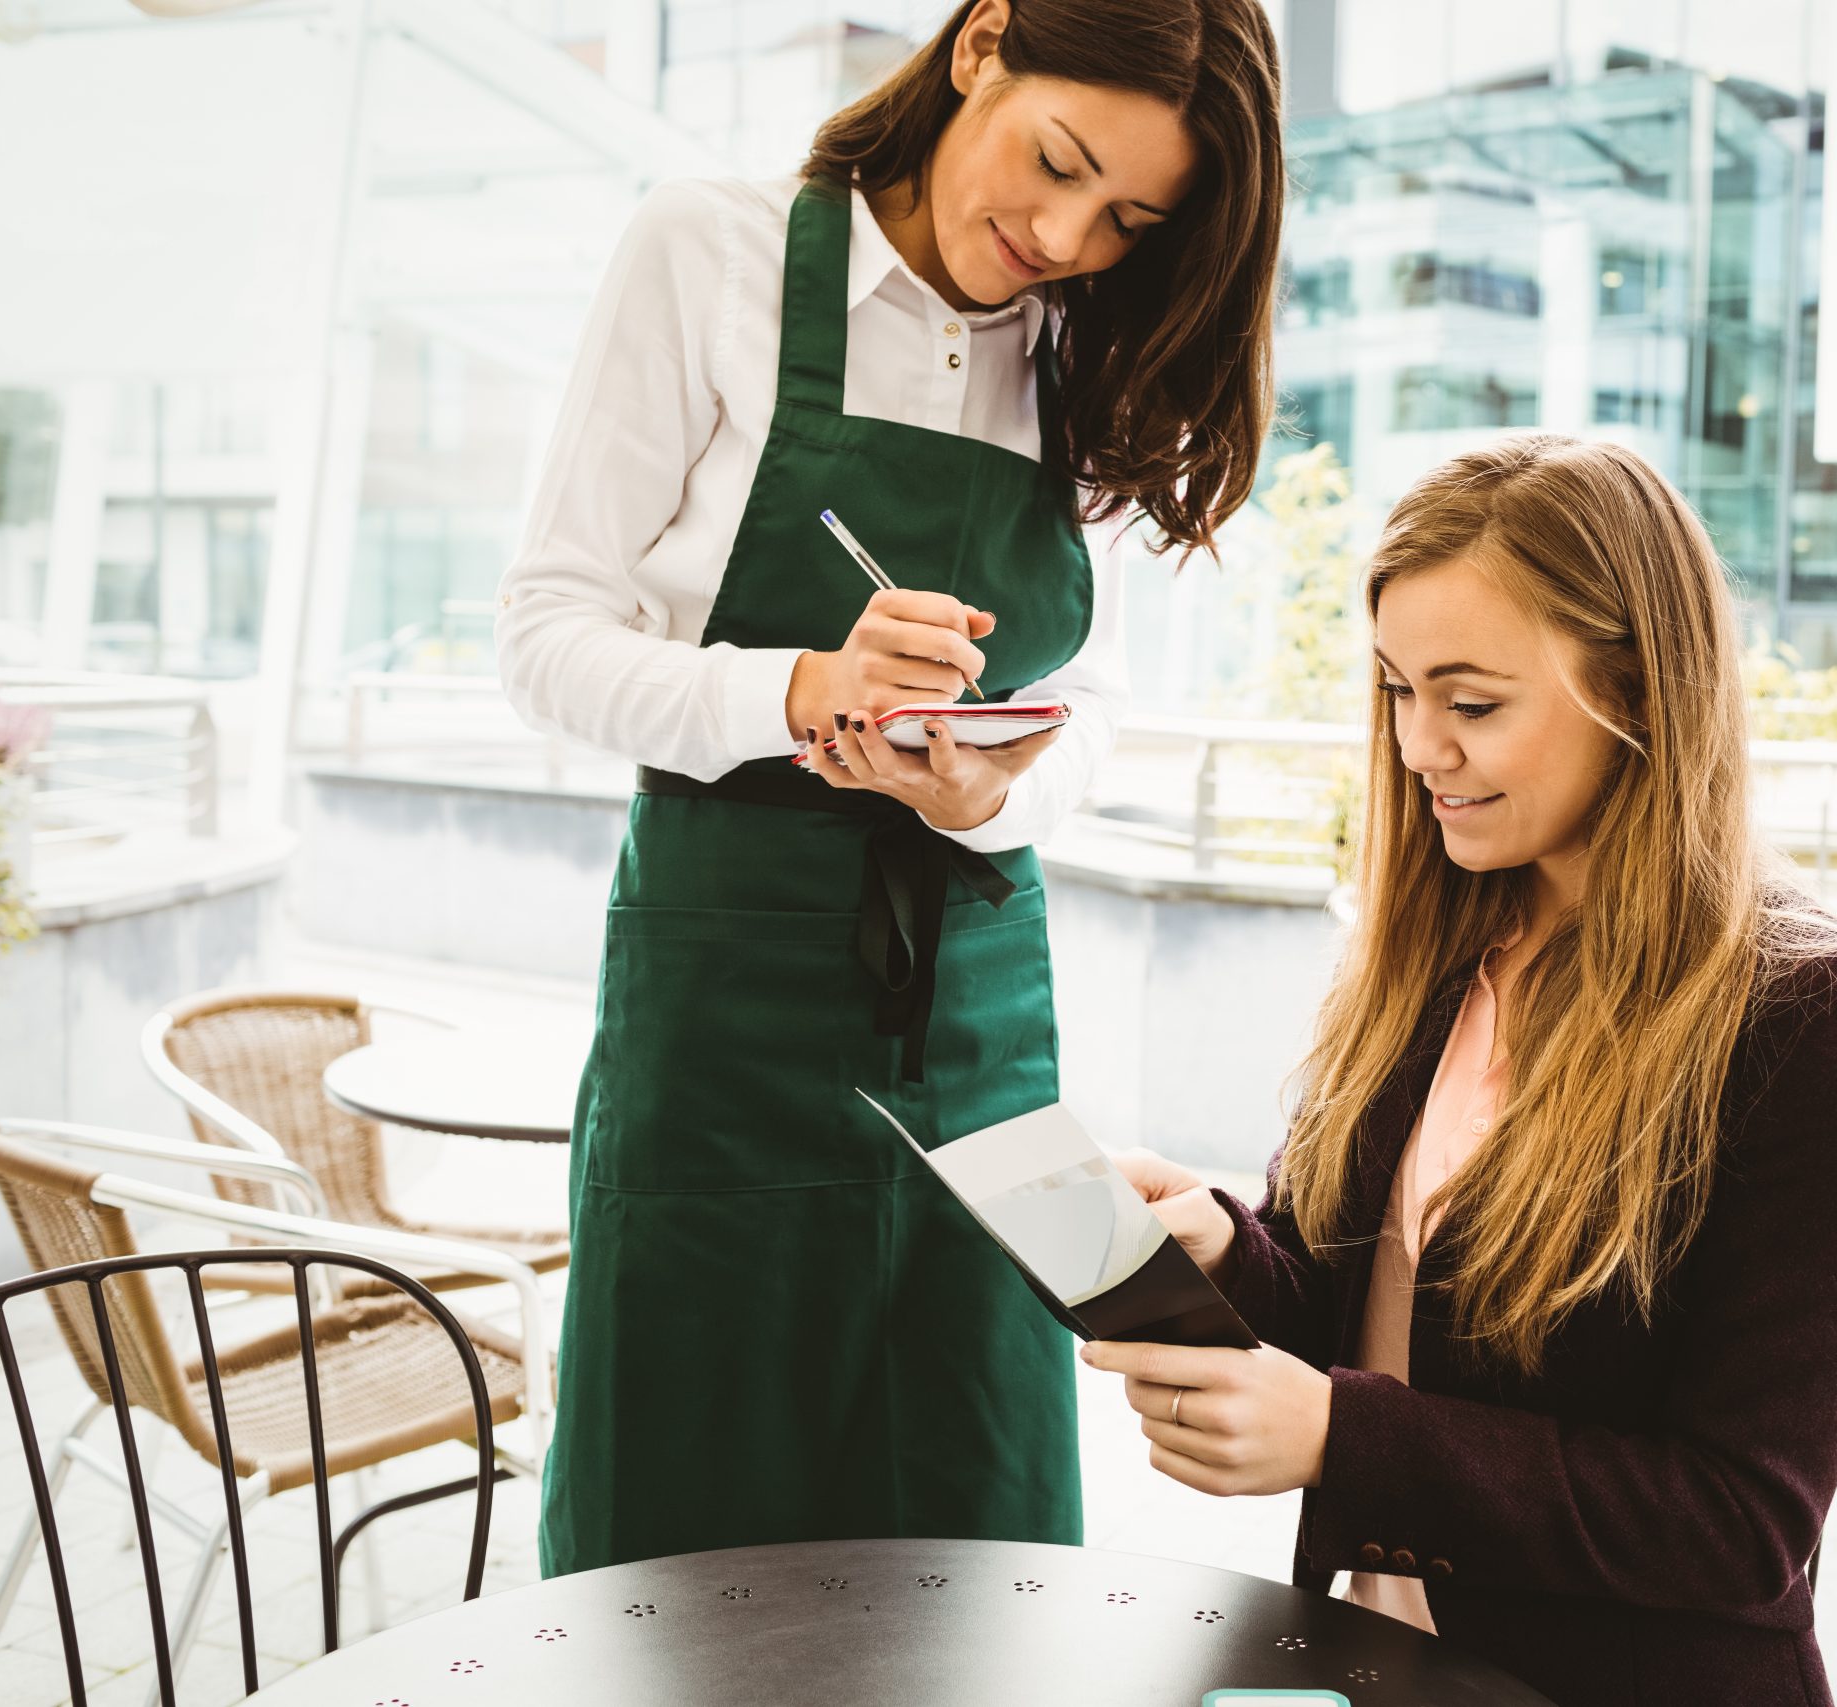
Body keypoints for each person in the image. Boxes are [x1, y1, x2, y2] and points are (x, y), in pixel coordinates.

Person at [493, 0, 1284, 1575]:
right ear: (981, 41)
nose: (1060, 235)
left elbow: (1103, 714)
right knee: (690, 1521)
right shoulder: (709, 252)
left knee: (975, 1525)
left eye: (1126, 219)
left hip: (983, 1018)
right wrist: (800, 689)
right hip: (723, 1003)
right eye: (1056, 163)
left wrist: (978, 796)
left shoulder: (1090, 347)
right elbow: (545, 636)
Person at [1086, 435, 1837, 1707]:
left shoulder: (1811, 1017)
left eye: (1471, 703)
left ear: (1638, 692)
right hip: (1372, 1665)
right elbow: (1352, 1312)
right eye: (1396, 692)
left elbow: (1739, 1523)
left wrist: (1337, 1439)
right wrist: (1217, 1250)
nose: (1421, 748)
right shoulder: (1435, 945)